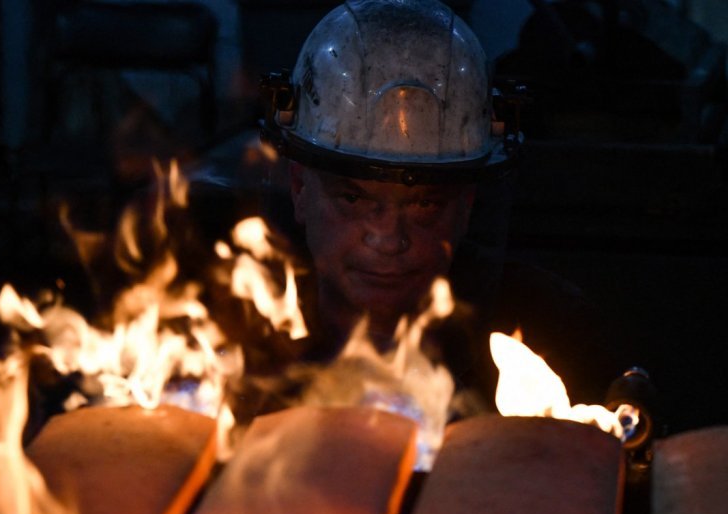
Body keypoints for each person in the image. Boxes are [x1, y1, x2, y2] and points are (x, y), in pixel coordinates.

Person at [259, 0, 627, 411]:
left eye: (424, 204)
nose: (388, 238)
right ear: (298, 189)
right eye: (353, 198)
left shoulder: (549, 337)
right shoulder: (234, 343)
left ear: (466, 205)